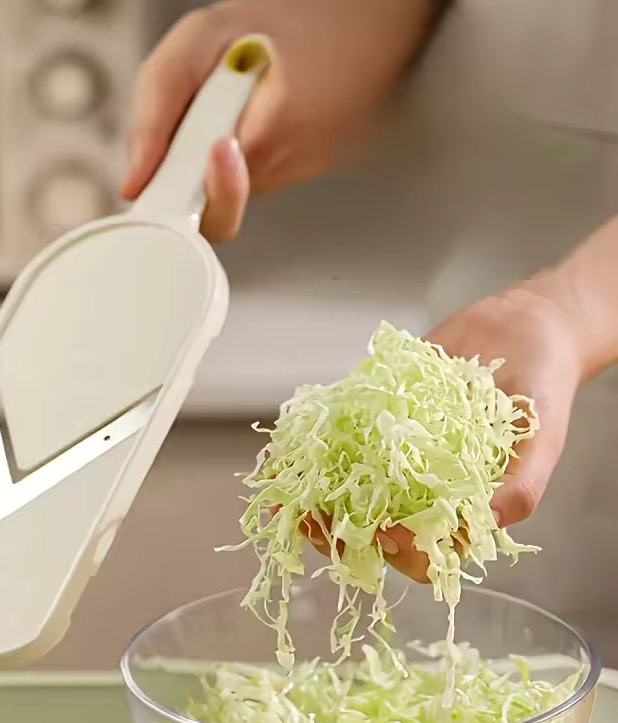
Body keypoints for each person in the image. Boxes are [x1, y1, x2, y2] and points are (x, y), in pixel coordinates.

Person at [122, 1, 618, 585]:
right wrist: (342, 18)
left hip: (572, 311)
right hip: (496, 307)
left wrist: (572, 304)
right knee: (473, 607)